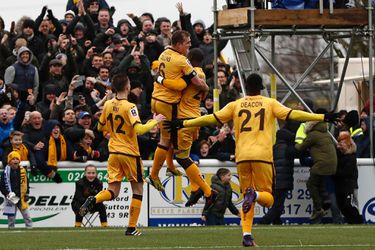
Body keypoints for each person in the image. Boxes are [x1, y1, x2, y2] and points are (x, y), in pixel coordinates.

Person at [165, 73, 338, 247]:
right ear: (261, 88)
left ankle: (247, 235)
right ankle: (253, 196)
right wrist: (321, 117)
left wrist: (184, 123)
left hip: (241, 157)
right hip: (262, 156)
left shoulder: (236, 104)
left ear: (246, 88)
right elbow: (293, 114)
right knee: (268, 198)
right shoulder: (269, 103)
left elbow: (211, 118)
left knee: (246, 196)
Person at [79, 73, 165, 236]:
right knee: (138, 189)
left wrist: (112, 132)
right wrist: (155, 121)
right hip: (129, 153)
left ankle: (94, 199)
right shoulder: (130, 106)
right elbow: (139, 129)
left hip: (113, 152)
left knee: (113, 191)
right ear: (127, 87)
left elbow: (99, 127)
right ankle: (131, 228)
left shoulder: (109, 104)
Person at [150, 48, 216, 208]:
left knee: (182, 157)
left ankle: (208, 192)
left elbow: (176, 84)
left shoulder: (190, 75)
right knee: (172, 143)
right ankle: (194, 188)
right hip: (193, 118)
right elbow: (204, 92)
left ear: (189, 59)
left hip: (185, 120)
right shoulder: (201, 74)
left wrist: (158, 77)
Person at [147, 30, 208, 193]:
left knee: (169, 138)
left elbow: (163, 74)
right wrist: (206, 87)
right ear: (179, 44)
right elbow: (196, 82)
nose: (189, 45)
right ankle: (154, 175)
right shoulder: (182, 61)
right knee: (167, 141)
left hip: (155, 99)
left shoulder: (164, 53)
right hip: (170, 105)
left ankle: (170, 166)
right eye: (187, 42)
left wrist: (158, 79)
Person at [295, 109, 337, 224]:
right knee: (318, 182)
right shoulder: (325, 133)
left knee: (311, 184)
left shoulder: (313, 135)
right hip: (332, 165)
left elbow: (300, 148)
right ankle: (325, 200)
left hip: (321, 164)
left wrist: (295, 144)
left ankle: (318, 209)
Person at [259, 128, 296, 225]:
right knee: (278, 204)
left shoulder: (273, 148)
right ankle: (264, 221)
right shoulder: (288, 148)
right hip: (283, 179)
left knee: (278, 202)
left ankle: (277, 221)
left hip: (273, 178)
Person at [334, 131, 363, 224]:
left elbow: (346, 172)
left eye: (342, 143)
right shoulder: (341, 155)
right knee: (342, 205)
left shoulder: (351, 157)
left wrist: (334, 171)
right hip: (341, 186)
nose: (340, 145)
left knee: (348, 205)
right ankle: (351, 221)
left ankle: (358, 221)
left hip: (349, 186)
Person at [0, 151, 32, 229]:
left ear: (19, 161)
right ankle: (11, 230)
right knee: (11, 218)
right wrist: (7, 194)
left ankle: (30, 229)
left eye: (17, 159)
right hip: (11, 197)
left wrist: (27, 193)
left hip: (21, 197)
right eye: (13, 159)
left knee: (26, 215)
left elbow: (26, 183)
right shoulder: (5, 172)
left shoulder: (23, 171)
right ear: (9, 162)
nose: (15, 160)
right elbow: (2, 186)